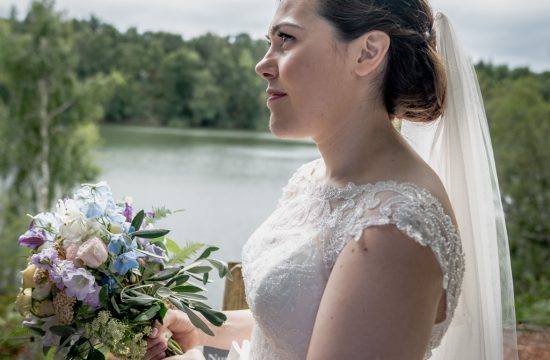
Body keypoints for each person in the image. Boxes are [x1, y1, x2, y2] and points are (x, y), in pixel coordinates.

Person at [144, 0, 518, 359]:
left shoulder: (395, 229)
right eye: (269, 43)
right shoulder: (313, 178)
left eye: (286, 39)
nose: (263, 65)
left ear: (367, 52)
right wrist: (203, 329)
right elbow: (293, 326)